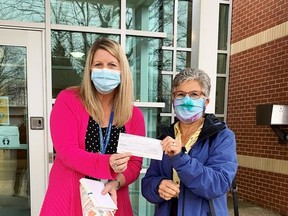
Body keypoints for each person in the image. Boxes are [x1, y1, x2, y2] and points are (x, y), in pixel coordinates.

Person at [40, 38, 146, 216]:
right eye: (98, 64)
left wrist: (117, 182)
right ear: (90, 69)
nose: (105, 70)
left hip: (111, 199)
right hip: (69, 198)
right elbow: (67, 152)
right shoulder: (68, 100)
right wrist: (107, 163)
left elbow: (135, 165)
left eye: (112, 64)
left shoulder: (133, 115)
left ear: (122, 71)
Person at [141, 68, 238, 216]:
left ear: (206, 101)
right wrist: (157, 186)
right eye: (180, 94)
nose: (187, 100)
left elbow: (219, 184)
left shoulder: (221, 137)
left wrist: (180, 158)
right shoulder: (165, 137)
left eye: (194, 94)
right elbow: (147, 184)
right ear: (173, 101)